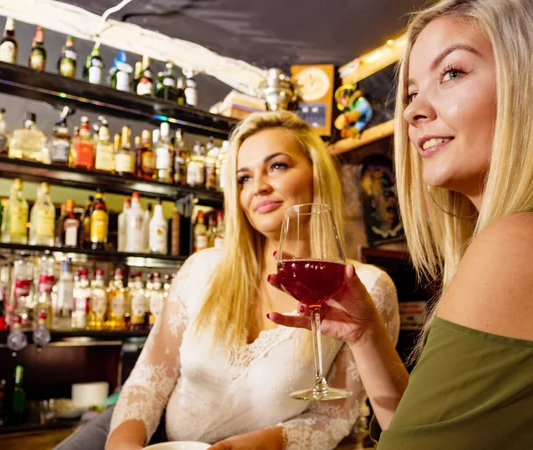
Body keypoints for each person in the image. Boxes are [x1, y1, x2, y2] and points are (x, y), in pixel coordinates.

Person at [269, 0, 533, 448]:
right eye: (410, 94)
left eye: (452, 73)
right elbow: (422, 431)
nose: (412, 112)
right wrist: (366, 334)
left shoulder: (514, 242)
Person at [106, 111, 399, 450]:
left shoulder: (365, 288)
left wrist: (254, 444)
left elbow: (333, 417)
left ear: (317, 174)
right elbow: (147, 383)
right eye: (243, 178)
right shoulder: (201, 269)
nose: (258, 187)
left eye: (277, 166)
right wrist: (124, 446)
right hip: (150, 439)